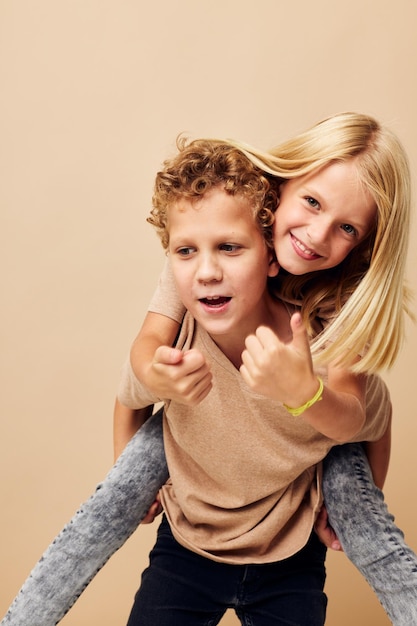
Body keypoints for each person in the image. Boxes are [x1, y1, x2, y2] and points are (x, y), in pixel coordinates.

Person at [0, 113, 413, 625]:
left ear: (364, 243)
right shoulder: (204, 255)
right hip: (195, 521)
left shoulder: (341, 309)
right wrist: (156, 376)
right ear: (281, 190)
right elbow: (142, 358)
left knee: (350, 479)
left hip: (292, 524)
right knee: (135, 465)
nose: (316, 233)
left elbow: (366, 417)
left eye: (346, 227)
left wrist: (303, 393)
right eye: (311, 202)